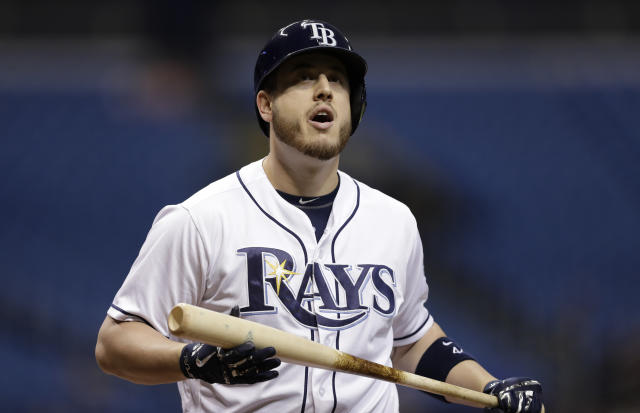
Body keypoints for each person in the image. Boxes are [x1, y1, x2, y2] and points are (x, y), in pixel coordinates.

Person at [95, 19, 544, 413]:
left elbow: (410, 341)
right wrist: (190, 361)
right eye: (304, 77)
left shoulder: (393, 221)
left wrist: (491, 387)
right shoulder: (201, 219)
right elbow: (114, 344)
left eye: (338, 80)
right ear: (266, 105)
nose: (325, 88)